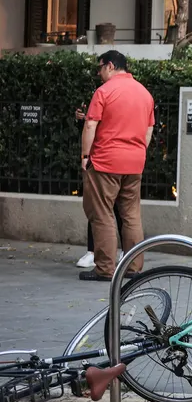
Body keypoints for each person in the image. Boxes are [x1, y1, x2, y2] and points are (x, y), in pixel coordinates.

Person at [79, 50, 155, 281]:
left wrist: (85, 156)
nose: (99, 73)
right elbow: (149, 129)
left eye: (100, 68)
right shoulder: (144, 93)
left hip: (105, 162)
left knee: (102, 214)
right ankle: (133, 268)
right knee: (131, 215)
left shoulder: (104, 92)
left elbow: (90, 125)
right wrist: (139, 151)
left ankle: (105, 269)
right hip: (134, 163)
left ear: (110, 66)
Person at [75, 106, 124, 269]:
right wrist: (81, 119)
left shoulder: (109, 97)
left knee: (107, 208)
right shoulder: (102, 96)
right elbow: (89, 127)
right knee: (102, 208)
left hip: (106, 158)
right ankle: (95, 251)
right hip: (104, 158)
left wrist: (85, 156)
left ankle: (105, 256)